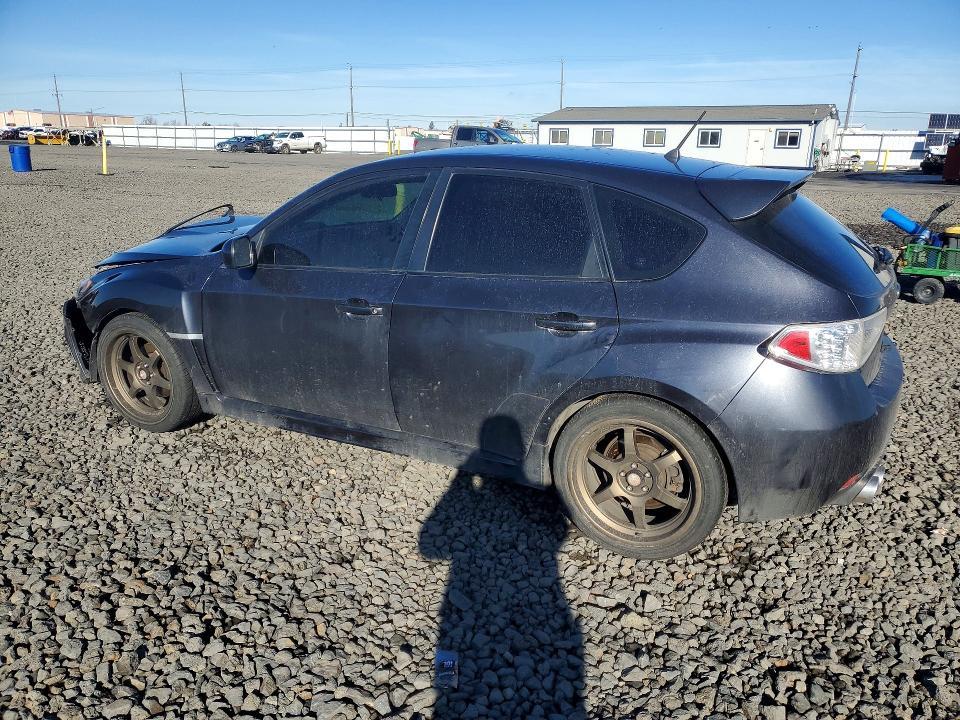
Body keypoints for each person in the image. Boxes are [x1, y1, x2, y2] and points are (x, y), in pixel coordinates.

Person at [419, 416, 586, 720]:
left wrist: (461, 482)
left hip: (463, 601)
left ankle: (449, 689)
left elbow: (430, 548)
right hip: (539, 596)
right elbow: (559, 533)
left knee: (455, 638)